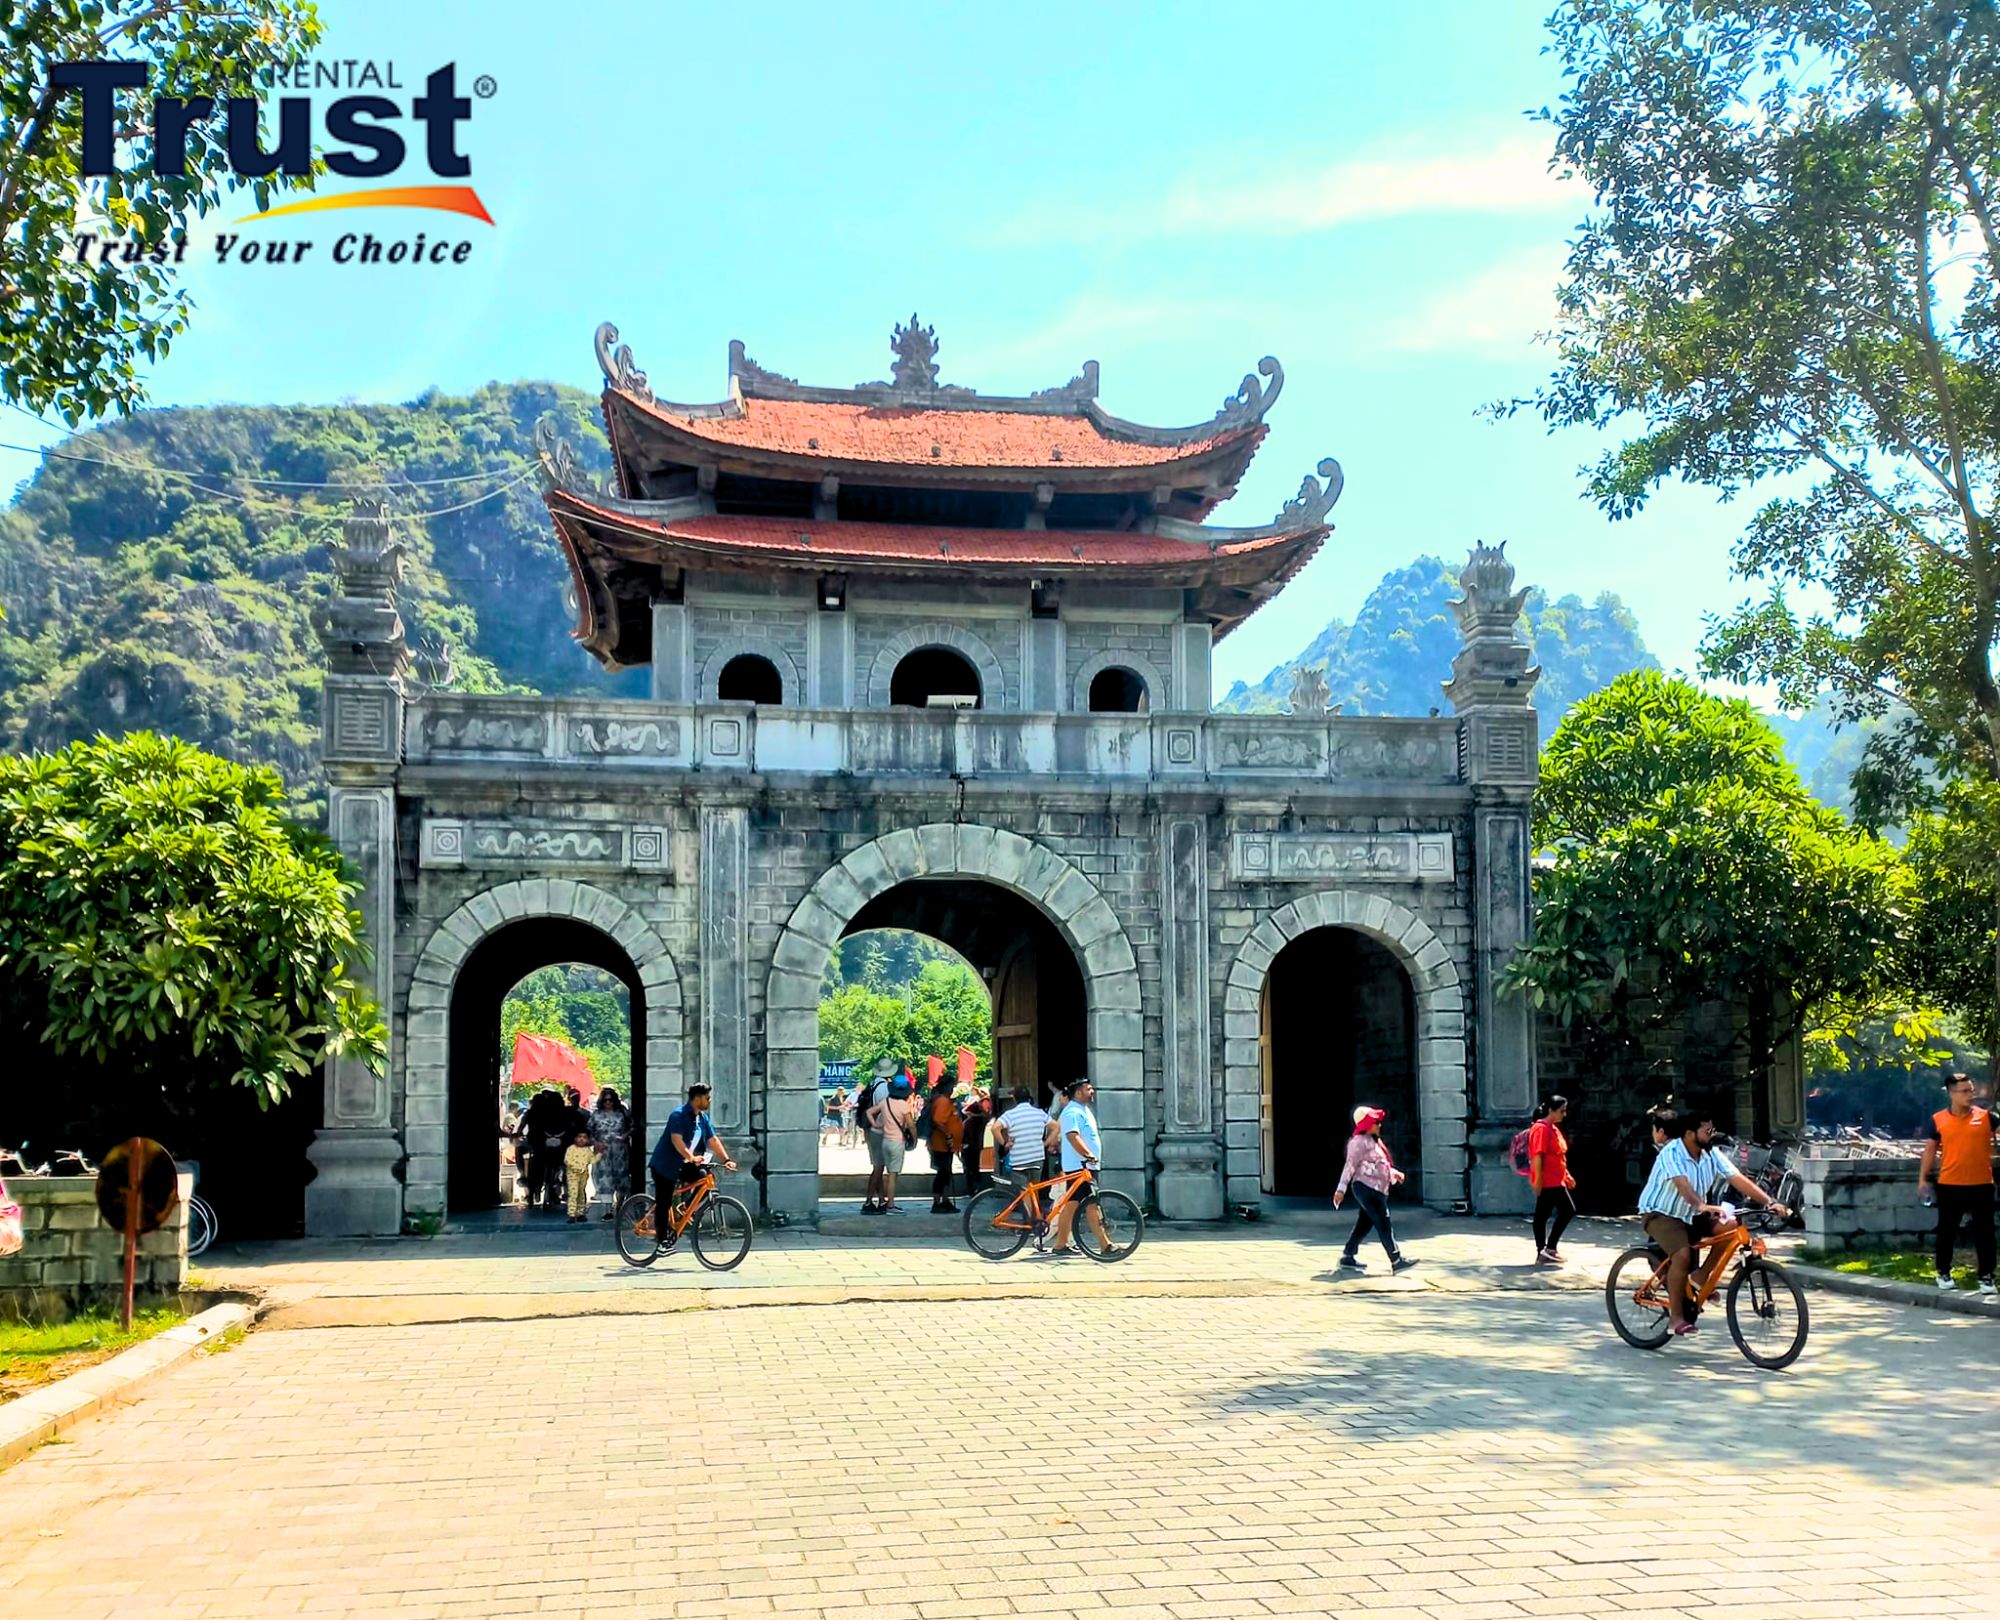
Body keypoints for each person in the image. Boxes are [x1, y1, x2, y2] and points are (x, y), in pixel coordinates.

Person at [1636, 1105, 1788, 1335]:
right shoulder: (1672, 1152)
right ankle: (1675, 1319)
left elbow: (1737, 1178)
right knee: (1682, 1256)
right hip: (1662, 1213)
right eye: (1707, 1131)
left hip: (1694, 1214)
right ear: (1689, 1133)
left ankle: (1700, 1276)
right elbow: (1682, 1184)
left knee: (1731, 1227)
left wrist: (1769, 1202)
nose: (1712, 1134)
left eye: (1712, 1130)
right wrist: (1702, 1206)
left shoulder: (1711, 1153)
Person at [1917, 1072, 1997, 1294]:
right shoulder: (1938, 1119)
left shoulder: (1987, 1117)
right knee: (1947, 1232)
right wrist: (1922, 1180)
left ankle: (1987, 1277)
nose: (1970, 1095)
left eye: (1971, 1090)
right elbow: (1930, 1151)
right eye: (1964, 1091)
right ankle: (1943, 1272)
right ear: (1951, 1093)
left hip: (1982, 1184)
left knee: (1986, 1234)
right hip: (1951, 1185)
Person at [644, 1083, 737, 1246]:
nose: (709, 1101)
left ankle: (686, 1207)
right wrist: (691, 1157)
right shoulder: (678, 1115)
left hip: (684, 1164)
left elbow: (712, 1140)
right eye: (707, 1098)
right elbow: (676, 1140)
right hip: (665, 1164)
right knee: (664, 1202)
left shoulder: (702, 1118)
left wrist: (726, 1160)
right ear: (697, 1098)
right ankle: (662, 1241)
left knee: (704, 1176)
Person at [1333, 1106, 1415, 1274]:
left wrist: (1394, 1174)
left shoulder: (1374, 1142)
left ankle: (1348, 1255)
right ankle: (1396, 1259)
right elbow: (1350, 1166)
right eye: (1375, 1122)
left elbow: (1380, 1166)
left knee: (1364, 1224)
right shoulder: (1358, 1143)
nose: (1379, 1125)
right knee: (1383, 1222)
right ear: (1366, 1124)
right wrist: (1341, 1189)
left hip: (1376, 1189)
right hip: (1366, 1187)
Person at [1050, 1077, 1108, 1258]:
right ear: (1078, 1092)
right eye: (1088, 1089)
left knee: (1072, 1204)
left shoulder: (1084, 1110)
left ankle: (1060, 1244)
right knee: (1091, 1203)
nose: (1092, 1092)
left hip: (1087, 1165)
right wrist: (1087, 1154)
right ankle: (1105, 1244)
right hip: (1080, 1166)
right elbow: (1073, 1136)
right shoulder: (1072, 1112)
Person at [1528, 1096, 1576, 1265]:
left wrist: (1566, 1175)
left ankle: (1544, 1251)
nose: (1564, 1114)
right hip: (1549, 1180)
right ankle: (1547, 1249)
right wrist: (1538, 1180)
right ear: (1551, 1110)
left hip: (1556, 1179)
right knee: (1566, 1210)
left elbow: (1558, 1156)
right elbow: (1538, 1155)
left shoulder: (1553, 1129)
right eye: (1561, 1110)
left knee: (1542, 1215)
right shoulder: (1541, 1129)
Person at [869, 1073, 917, 1215]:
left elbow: (869, 1112)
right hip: (897, 1142)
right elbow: (911, 1125)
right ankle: (890, 1205)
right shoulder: (904, 1106)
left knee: (887, 1172)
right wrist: (914, 1140)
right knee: (892, 1175)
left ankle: (887, 1202)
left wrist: (875, 1125)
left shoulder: (886, 1102)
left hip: (885, 1141)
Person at [859, 1058, 896, 1215]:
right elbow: (885, 1111)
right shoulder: (884, 1089)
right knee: (878, 1167)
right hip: (880, 1131)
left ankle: (881, 1200)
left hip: (872, 1130)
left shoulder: (873, 1084)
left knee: (878, 1166)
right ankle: (868, 1201)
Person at [923, 1072, 964, 1214]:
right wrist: (948, 1135)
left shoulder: (943, 1100)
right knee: (942, 1173)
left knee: (946, 1173)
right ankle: (937, 1202)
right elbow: (938, 1120)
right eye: (952, 1086)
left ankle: (945, 1200)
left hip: (946, 1145)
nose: (953, 1090)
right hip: (941, 1144)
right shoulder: (942, 1101)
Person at [992, 1087, 1049, 1187]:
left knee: (1023, 1190)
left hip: (1019, 1158)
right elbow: (1056, 1126)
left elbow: (995, 1128)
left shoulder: (1010, 1115)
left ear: (1014, 1099)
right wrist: (1046, 1143)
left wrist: (1004, 1143)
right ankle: (1035, 1203)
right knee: (1035, 1189)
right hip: (1037, 1156)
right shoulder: (1040, 1113)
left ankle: (1026, 1203)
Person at [589, 1088, 632, 1220]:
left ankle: (619, 1206)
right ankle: (607, 1210)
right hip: (603, 1153)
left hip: (620, 1152)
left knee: (621, 1179)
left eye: (611, 1100)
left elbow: (633, 1127)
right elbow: (588, 1131)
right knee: (604, 1180)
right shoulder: (595, 1115)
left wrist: (625, 1135)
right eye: (606, 1100)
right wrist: (595, 1143)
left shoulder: (622, 1114)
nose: (608, 1103)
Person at [959, 1086, 992, 1197]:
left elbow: (963, 1136)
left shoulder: (968, 1123)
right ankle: (978, 1187)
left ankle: (970, 1190)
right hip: (977, 1146)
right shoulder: (982, 1121)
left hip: (967, 1147)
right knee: (976, 1167)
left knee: (968, 1169)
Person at [563, 1130, 598, 1224]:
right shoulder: (571, 1149)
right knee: (573, 1194)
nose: (581, 1139)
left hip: (583, 1176)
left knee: (581, 1193)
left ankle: (580, 1213)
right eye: (579, 1137)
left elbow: (592, 1160)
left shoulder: (587, 1150)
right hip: (573, 1175)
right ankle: (571, 1214)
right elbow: (567, 1161)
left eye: (584, 1137)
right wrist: (578, 1168)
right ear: (575, 1138)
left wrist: (599, 1153)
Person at [1042, 1083, 1070, 1181]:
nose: (1059, 1100)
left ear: (1066, 1097)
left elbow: (1057, 1130)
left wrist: (1050, 1144)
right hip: (1062, 1149)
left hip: (1058, 1150)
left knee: (1057, 1178)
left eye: (1060, 1097)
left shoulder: (1066, 1113)